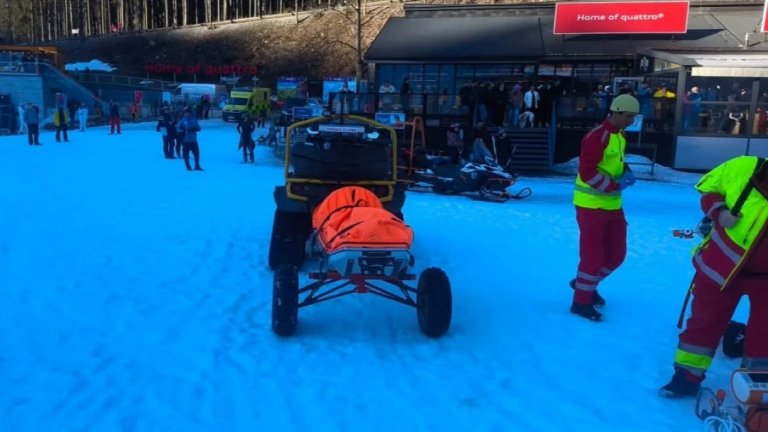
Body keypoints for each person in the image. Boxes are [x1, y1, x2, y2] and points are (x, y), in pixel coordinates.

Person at [660, 156, 768, 398]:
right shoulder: (743, 166)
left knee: (765, 333)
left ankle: (758, 388)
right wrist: (720, 213)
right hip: (721, 267)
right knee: (704, 323)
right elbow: (708, 189)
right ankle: (687, 377)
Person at [570, 94, 640, 321]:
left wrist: (626, 171)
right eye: (629, 116)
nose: (632, 121)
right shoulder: (597, 136)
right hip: (591, 206)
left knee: (616, 254)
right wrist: (613, 185)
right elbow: (587, 171)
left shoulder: (618, 135)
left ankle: (585, 285)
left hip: (612, 205)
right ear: (616, 112)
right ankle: (581, 301)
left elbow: (615, 161)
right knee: (593, 256)